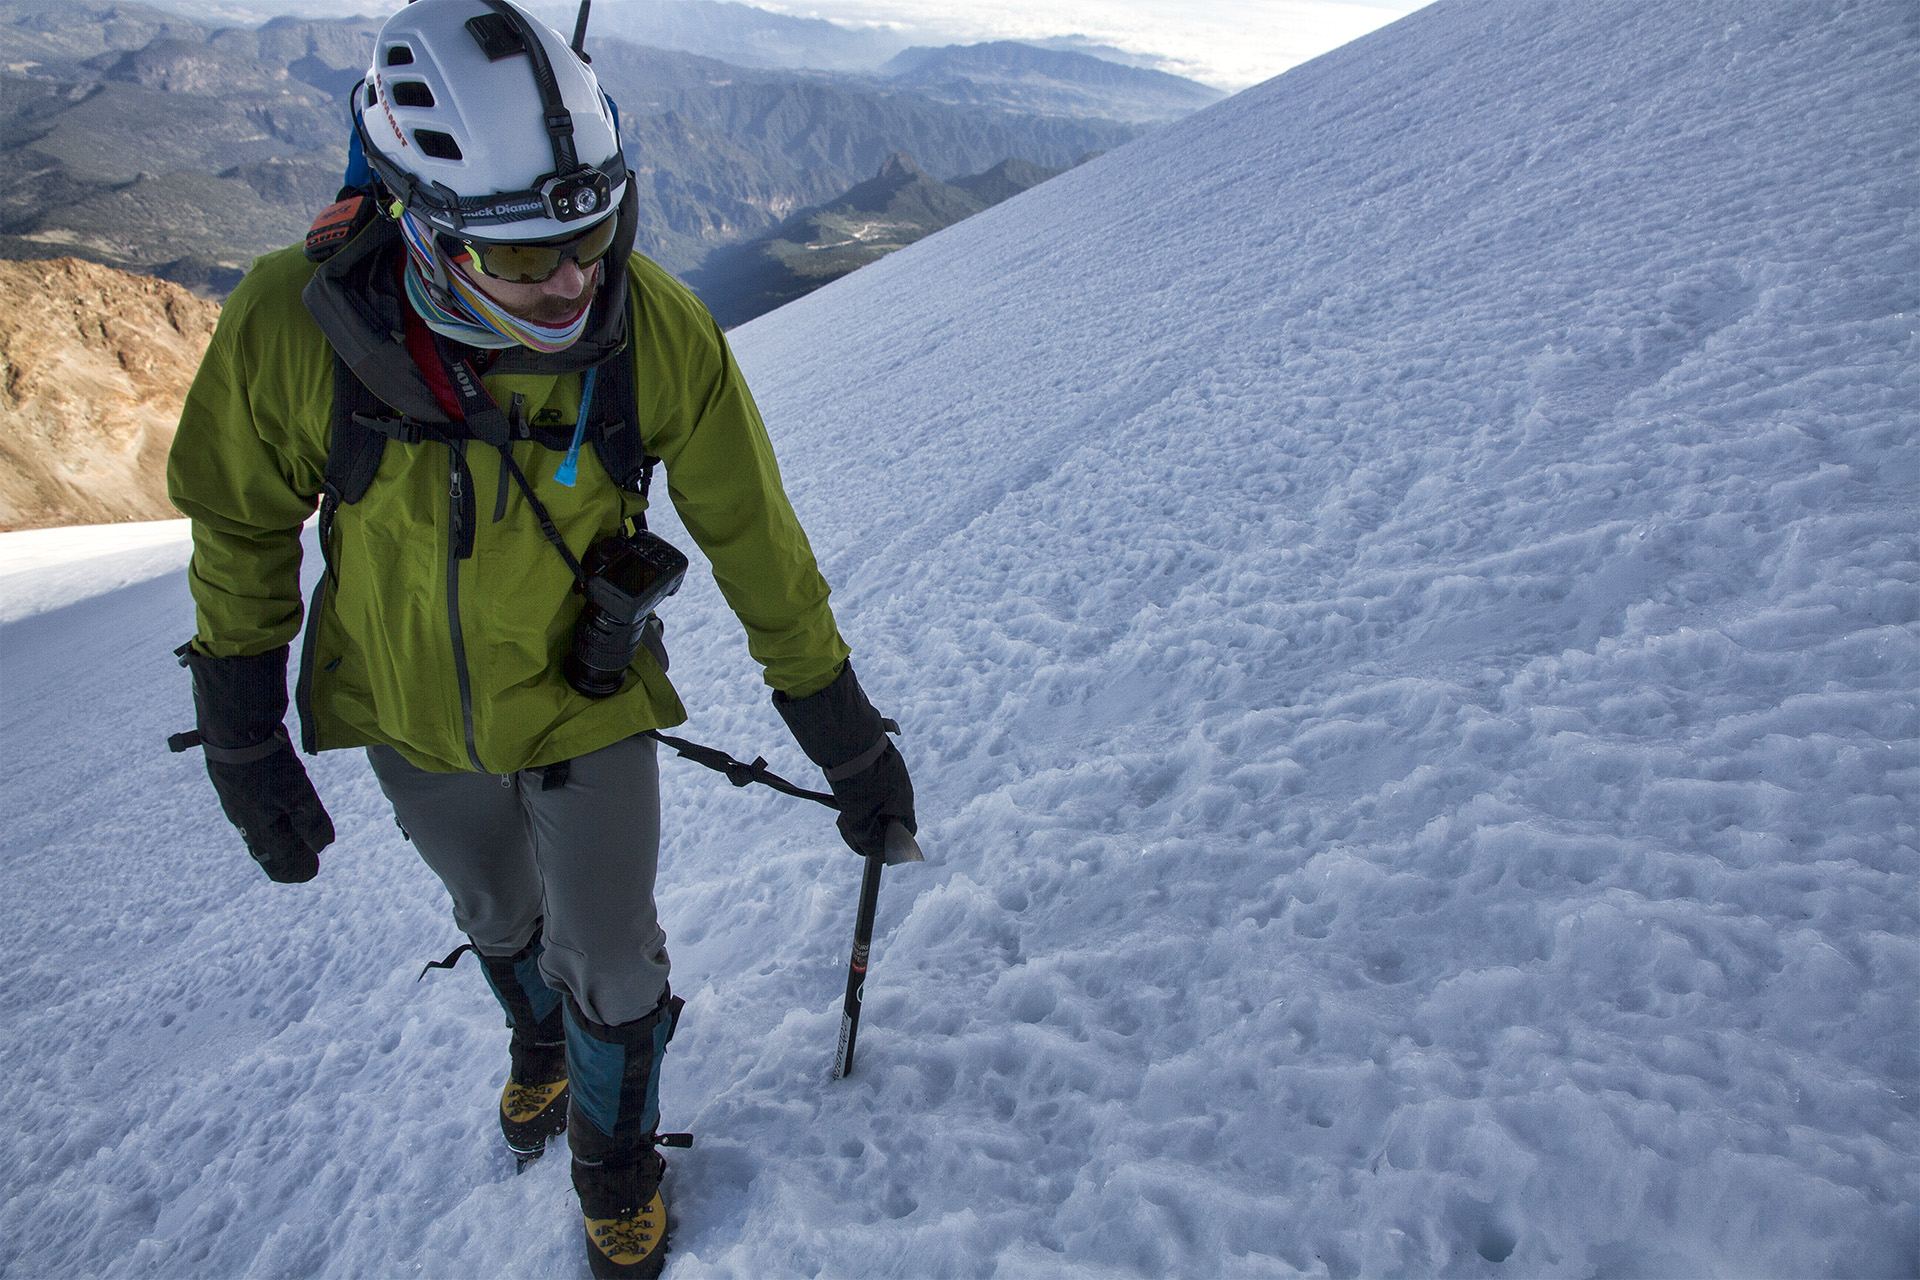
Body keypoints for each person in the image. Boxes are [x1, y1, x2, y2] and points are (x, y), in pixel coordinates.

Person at [164, 2, 916, 1275]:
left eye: (590, 233)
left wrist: (843, 735)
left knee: (613, 954)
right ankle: (538, 1044)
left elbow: (757, 544)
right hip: (408, 710)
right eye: (523, 262)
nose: (572, 282)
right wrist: (242, 732)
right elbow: (241, 525)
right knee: (497, 907)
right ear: (417, 221)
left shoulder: (650, 327)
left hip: (587, 698)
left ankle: (614, 1166)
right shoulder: (298, 327)